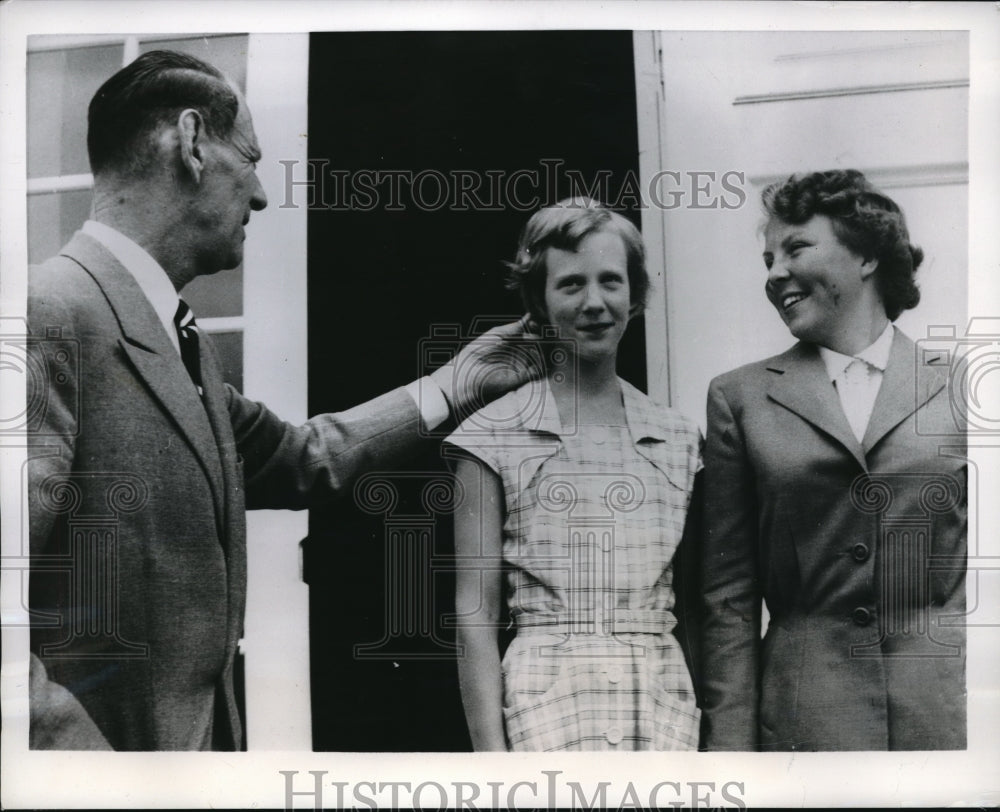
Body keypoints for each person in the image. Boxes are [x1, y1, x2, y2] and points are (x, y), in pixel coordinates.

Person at [26, 49, 537, 751]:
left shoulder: (178, 339)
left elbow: (301, 458)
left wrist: (454, 383)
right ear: (193, 141)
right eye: (253, 158)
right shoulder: (46, 314)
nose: (262, 195)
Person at [700, 169, 967, 751]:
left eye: (796, 248)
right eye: (768, 258)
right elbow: (728, 599)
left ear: (867, 256)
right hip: (806, 721)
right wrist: (728, 752)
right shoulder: (740, 397)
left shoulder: (964, 389)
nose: (774, 274)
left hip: (946, 714)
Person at [446, 199, 702, 751]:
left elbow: (703, 607)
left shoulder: (679, 439)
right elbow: (475, 617)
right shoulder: (489, 437)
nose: (594, 303)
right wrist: (493, 767)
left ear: (635, 297)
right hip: (546, 710)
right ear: (537, 301)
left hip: (659, 708)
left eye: (611, 281)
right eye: (570, 285)